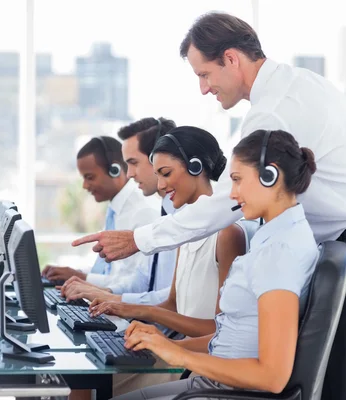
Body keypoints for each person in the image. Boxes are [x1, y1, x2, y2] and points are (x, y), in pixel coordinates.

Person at [73, 12, 346, 400]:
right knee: (344, 382)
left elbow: (225, 204)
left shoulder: (271, 114)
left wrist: (140, 239)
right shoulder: (303, 82)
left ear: (232, 59)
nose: (204, 89)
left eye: (204, 74)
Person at [113, 129, 319, 399]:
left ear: (270, 175)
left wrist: (178, 355)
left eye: (237, 180)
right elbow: (233, 338)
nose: (232, 195)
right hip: (216, 384)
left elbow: (272, 376)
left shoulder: (279, 252)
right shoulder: (274, 238)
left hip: (225, 391)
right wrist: (167, 343)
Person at [88, 125, 246, 339]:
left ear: (195, 167)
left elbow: (220, 331)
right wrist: (124, 307)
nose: (161, 185)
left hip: (197, 361)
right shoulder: (181, 232)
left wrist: (145, 314)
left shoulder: (227, 235)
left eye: (166, 173)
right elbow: (172, 305)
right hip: (179, 354)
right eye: (157, 176)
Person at [61, 118, 179, 306]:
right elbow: (143, 278)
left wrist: (108, 297)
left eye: (133, 163)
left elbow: (172, 299)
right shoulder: (164, 212)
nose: (130, 174)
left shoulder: (150, 213)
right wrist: (104, 293)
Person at [42, 136, 157, 290]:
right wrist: (75, 274)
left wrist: (82, 278)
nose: (84, 185)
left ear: (114, 171)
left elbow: (136, 284)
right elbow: (109, 271)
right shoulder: (116, 209)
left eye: (89, 177)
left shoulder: (142, 212)